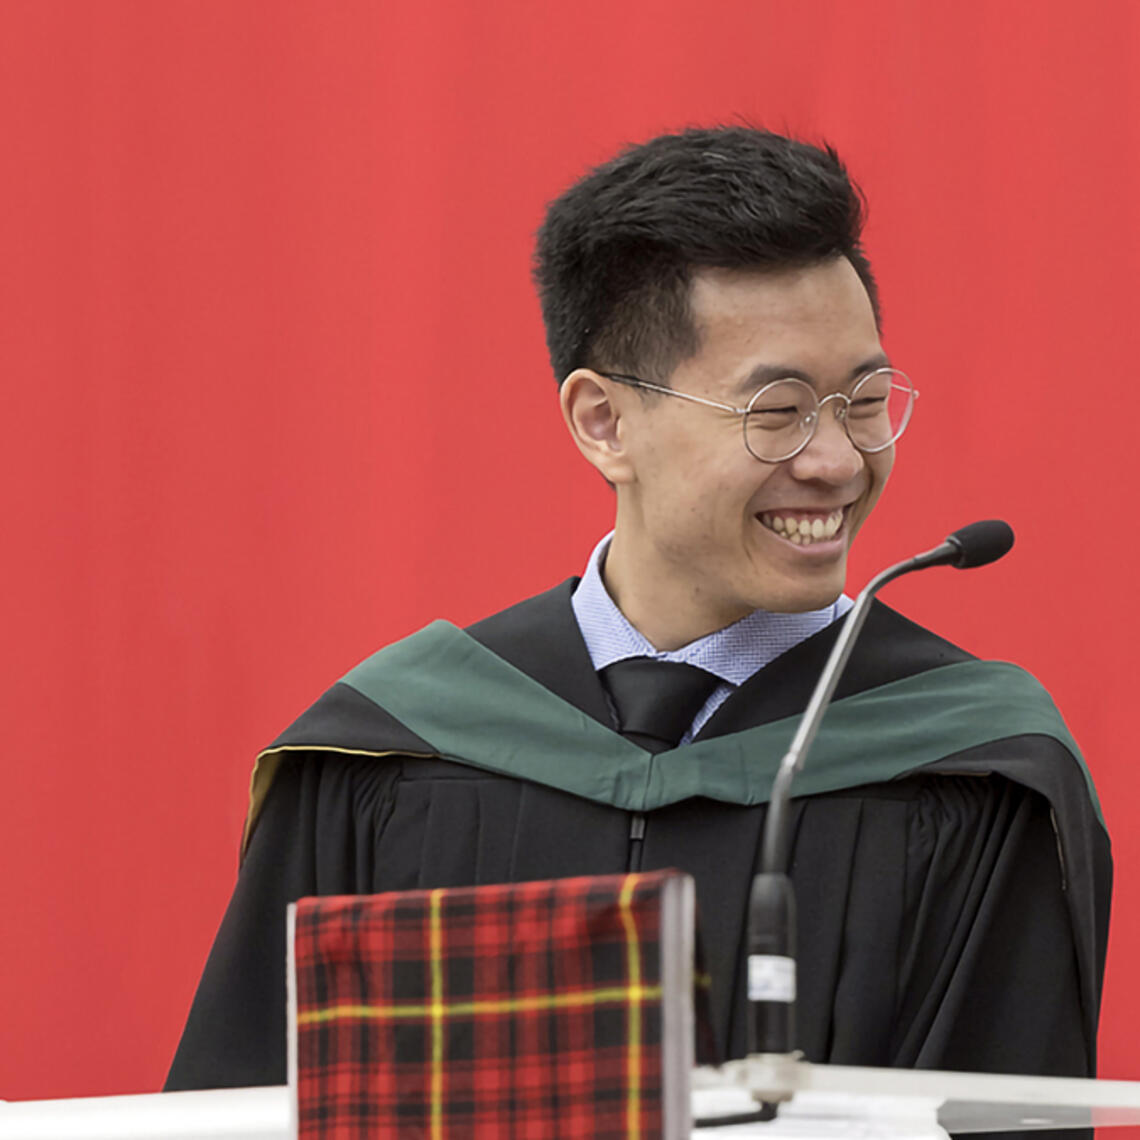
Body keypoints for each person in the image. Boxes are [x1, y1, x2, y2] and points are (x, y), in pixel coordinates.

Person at [166, 126, 1110, 1092]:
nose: (836, 463)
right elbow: (244, 1107)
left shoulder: (974, 771)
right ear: (605, 422)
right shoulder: (391, 752)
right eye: (776, 411)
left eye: (865, 400)